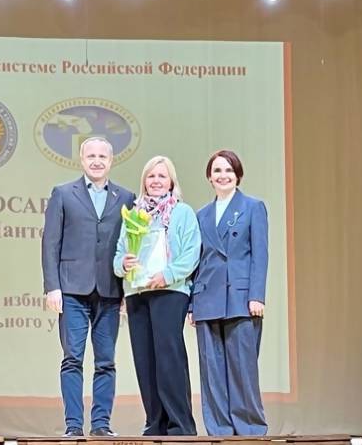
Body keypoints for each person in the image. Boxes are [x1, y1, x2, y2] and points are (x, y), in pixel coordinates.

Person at [42, 136, 136, 437]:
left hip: (110, 291)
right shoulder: (62, 194)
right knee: (72, 359)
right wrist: (52, 287)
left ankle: (101, 425)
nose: (97, 161)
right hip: (71, 290)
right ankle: (73, 426)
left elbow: (131, 246)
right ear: (81, 159)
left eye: (102, 157)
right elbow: (50, 243)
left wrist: (128, 290)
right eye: (91, 156)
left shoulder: (126, 197)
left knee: (106, 361)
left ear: (111, 160)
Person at [113, 156, 200, 436]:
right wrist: (123, 263)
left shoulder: (182, 212)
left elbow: (191, 253)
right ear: (144, 181)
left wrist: (168, 274)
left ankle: (180, 426)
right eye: (151, 176)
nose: (156, 181)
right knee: (145, 360)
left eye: (162, 176)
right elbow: (119, 254)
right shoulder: (133, 213)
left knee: (168, 357)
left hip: (169, 291)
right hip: (137, 293)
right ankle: (155, 424)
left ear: (171, 181)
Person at [189, 149, 269, 435]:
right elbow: (197, 261)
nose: (223, 176)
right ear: (209, 177)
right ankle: (219, 430)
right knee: (211, 371)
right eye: (217, 171)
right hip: (207, 297)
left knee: (242, 368)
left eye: (228, 170)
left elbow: (260, 254)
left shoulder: (253, 207)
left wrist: (256, 295)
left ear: (238, 175)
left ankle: (250, 430)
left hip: (240, 297)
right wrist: (191, 305)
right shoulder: (202, 215)